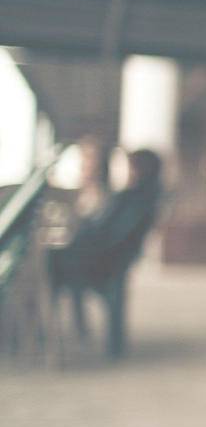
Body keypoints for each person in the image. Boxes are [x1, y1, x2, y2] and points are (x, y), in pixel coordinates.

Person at [48, 148, 162, 358]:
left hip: (103, 260)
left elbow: (109, 233)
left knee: (45, 264)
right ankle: (74, 329)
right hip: (107, 256)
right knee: (56, 255)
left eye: (132, 165)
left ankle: (39, 334)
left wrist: (83, 233)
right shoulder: (144, 196)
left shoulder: (134, 198)